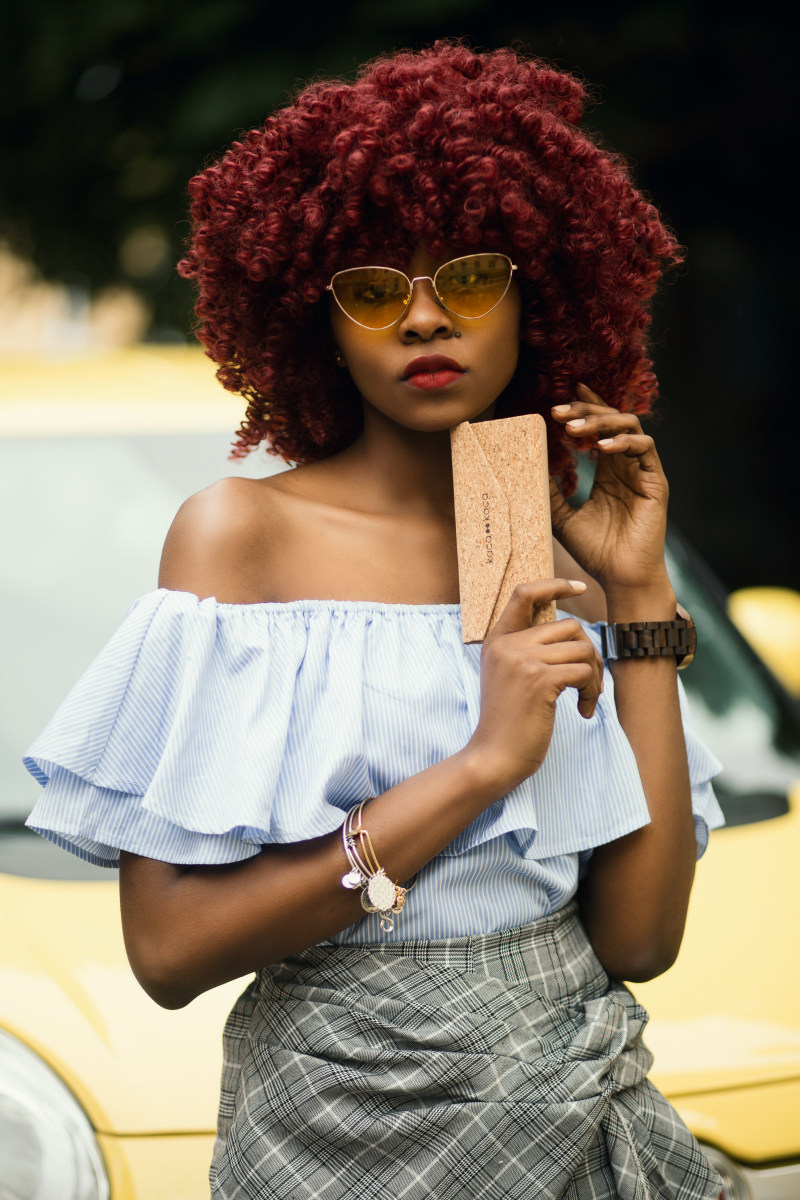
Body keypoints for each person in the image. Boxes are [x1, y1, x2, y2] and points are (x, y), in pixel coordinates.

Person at [24, 41, 725, 1200]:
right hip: (332, 1133)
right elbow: (167, 953)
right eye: (369, 289)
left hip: (574, 1124)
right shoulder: (241, 537)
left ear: (533, 296)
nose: (419, 319)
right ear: (318, 322)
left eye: (466, 277)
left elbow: (638, 943)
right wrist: (480, 765)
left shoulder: (538, 543)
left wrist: (640, 602)